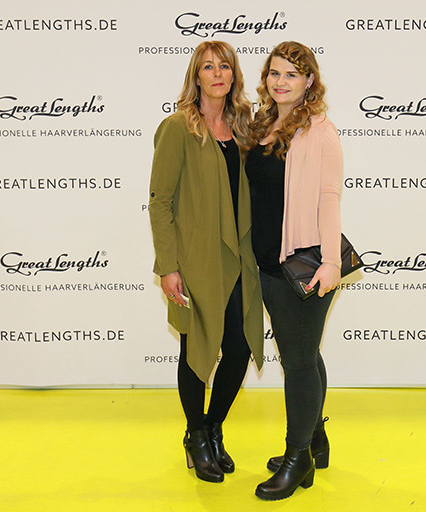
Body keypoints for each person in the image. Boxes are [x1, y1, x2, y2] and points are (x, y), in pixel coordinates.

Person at [148, 41, 264, 484]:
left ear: (234, 74)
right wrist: (168, 266)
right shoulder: (178, 127)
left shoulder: (244, 127)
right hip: (195, 259)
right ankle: (195, 436)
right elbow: (160, 201)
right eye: (208, 67)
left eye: (225, 67)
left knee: (239, 346)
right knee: (196, 348)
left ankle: (213, 427)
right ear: (196, 76)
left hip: (239, 256)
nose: (218, 74)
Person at [245, 41, 343, 501]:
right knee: (304, 353)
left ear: (309, 81)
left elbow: (329, 198)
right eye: (274, 73)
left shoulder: (320, 131)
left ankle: (297, 456)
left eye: (291, 74)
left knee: (299, 362)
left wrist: (331, 262)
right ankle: (316, 439)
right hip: (266, 262)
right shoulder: (263, 124)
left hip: (302, 265)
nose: (280, 82)